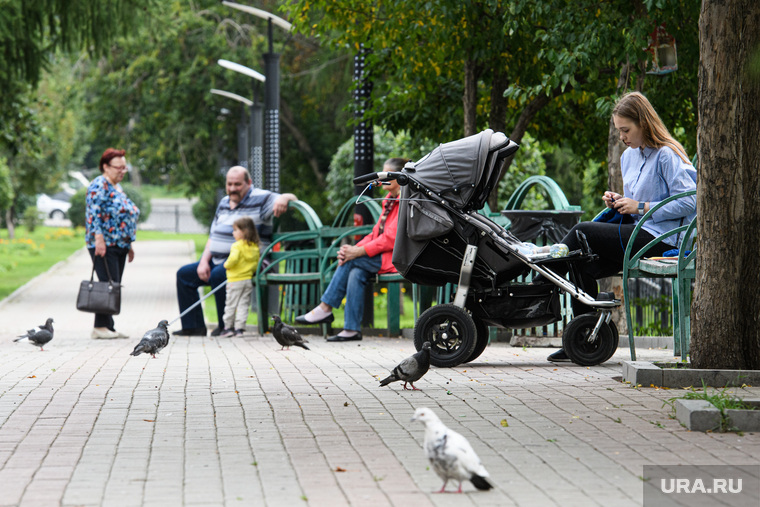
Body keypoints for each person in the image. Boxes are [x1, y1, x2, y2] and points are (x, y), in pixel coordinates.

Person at [545, 91, 697, 363]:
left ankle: (539, 276)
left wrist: (640, 206)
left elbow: (692, 201)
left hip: (661, 240)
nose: (622, 137)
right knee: (582, 264)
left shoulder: (666, 155)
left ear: (643, 123)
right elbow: (635, 206)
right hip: (636, 234)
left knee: (584, 232)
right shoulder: (628, 158)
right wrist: (619, 201)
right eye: (618, 131)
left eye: (626, 130)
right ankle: (584, 341)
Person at [174, 166, 297, 336]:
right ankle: (193, 327)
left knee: (218, 274)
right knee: (184, 275)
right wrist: (203, 261)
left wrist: (284, 198)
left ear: (249, 183)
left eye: (237, 184)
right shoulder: (224, 202)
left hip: (244, 261)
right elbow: (213, 235)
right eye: (229, 184)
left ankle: (225, 326)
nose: (232, 188)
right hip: (218, 259)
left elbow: (291, 198)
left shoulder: (261, 198)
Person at [295, 157, 407, 342]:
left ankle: (325, 308)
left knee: (353, 260)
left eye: (386, 176)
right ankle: (351, 329)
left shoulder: (405, 199)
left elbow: (391, 238)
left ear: (400, 177)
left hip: (398, 257)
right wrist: (354, 248)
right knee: (356, 270)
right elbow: (375, 234)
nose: (381, 180)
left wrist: (358, 253)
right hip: (383, 255)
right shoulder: (389, 200)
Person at [85, 148, 140, 339]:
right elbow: (94, 215)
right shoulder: (98, 185)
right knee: (107, 285)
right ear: (106, 167)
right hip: (104, 244)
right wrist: (99, 239)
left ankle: (109, 327)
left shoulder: (117, 187)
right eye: (119, 167)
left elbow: (122, 217)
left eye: (125, 168)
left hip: (120, 244)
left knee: (113, 285)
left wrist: (129, 243)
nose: (122, 171)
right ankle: (99, 327)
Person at [219, 217, 260, 337]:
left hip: (235, 280)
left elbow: (233, 259)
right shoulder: (254, 247)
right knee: (243, 304)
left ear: (244, 231)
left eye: (235, 230)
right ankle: (240, 329)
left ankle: (228, 327)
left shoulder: (237, 246)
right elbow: (255, 264)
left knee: (231, 304)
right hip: (247, 280)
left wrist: (226, 264)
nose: (233, 233)